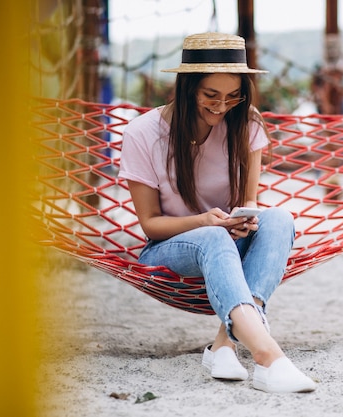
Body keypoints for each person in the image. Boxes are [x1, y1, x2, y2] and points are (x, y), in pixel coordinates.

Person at [118, 32, 316, 394]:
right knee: (212, 236)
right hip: (170, 249)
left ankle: (225, 343)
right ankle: (268, 358)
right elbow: (151, 224)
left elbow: (249, 201)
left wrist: (244, 220)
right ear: (188, 87)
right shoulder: (143, 133)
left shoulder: (246, 122)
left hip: (229, 244)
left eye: (232, 96)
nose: (222, 106)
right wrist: (204, 221)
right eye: (211, 95)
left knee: (280, 218)